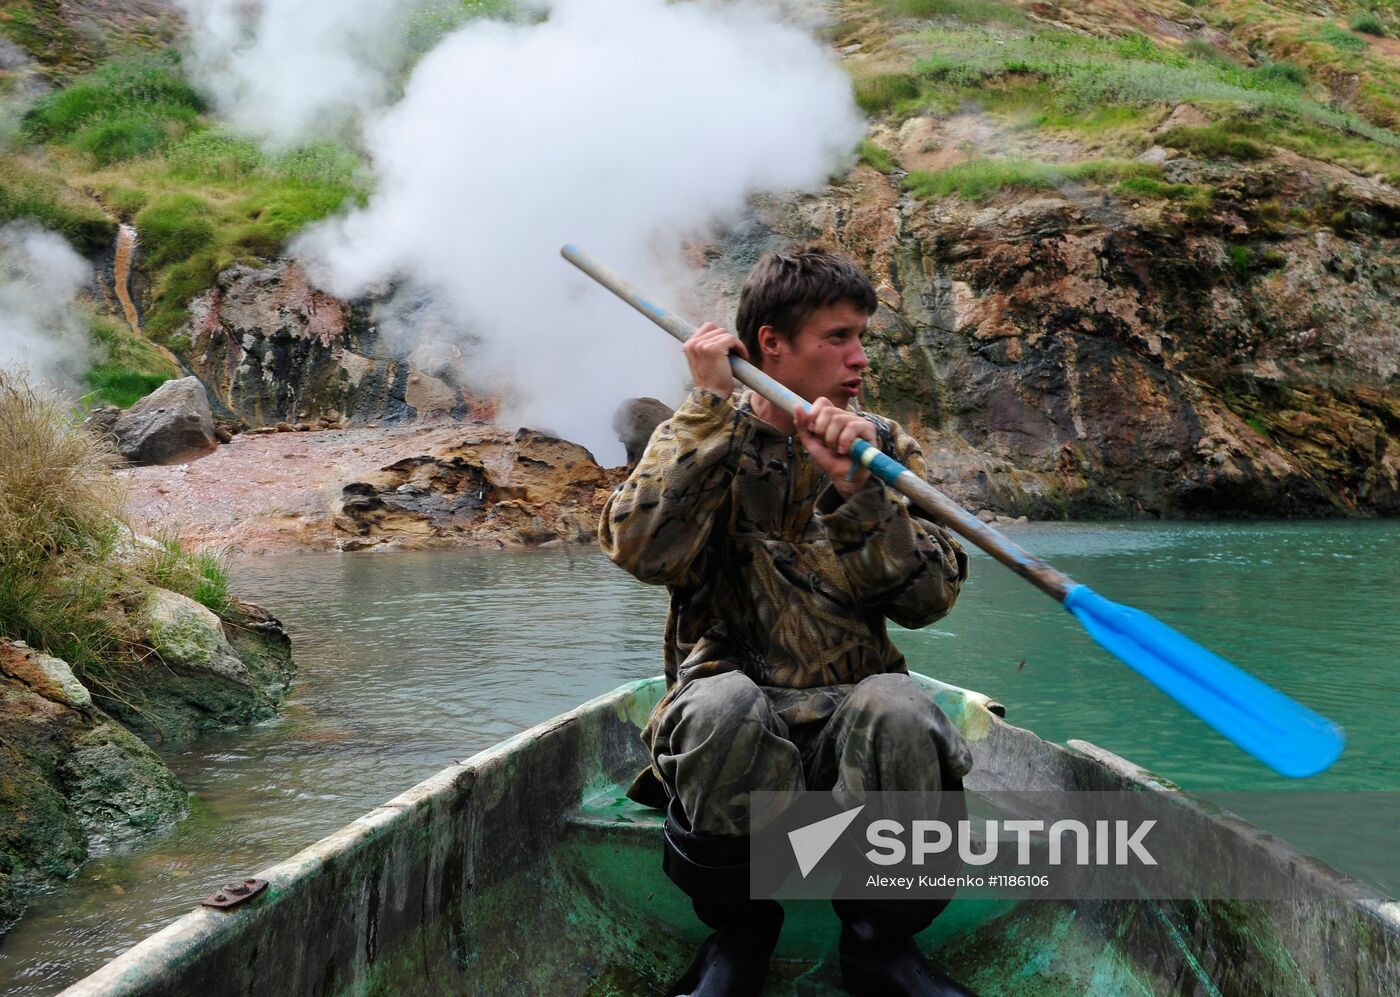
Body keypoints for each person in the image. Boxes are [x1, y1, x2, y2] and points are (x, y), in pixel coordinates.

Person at [599, 245, 975, 997]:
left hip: (851, 720)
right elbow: (639, 548)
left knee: (903, 707)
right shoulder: (707, 435)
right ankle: (741, 936)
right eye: (838, 337)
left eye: (861, 336)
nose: (858, 356)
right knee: (717, 705)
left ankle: (878, 949)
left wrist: (856, 488)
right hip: (739, 720)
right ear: (771, 342)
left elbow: (929, 599)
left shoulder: (882, 446)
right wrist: (704, 411)